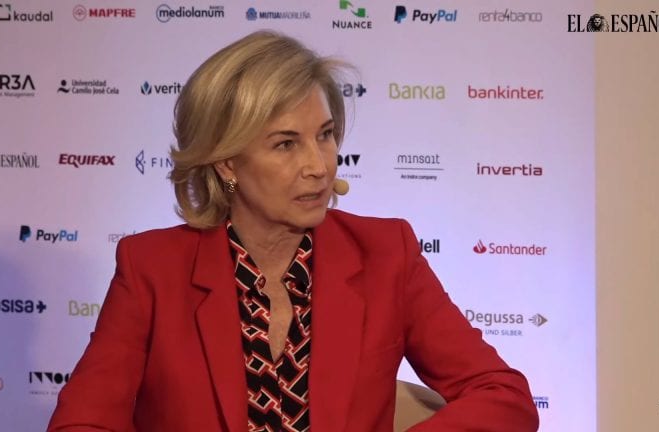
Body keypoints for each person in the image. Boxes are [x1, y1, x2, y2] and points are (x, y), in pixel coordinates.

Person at [48, 30, 538, 432]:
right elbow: (82, 422)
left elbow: (503, 396)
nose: (318, 166)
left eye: (324, 136)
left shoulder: (387, 254)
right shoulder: (152, 268)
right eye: (286, 144)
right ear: (226, 161)